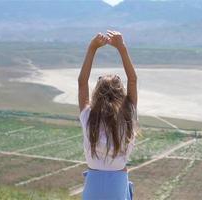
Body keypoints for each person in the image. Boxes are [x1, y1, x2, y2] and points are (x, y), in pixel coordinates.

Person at [78, 30, 138, 200]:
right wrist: (121, 48)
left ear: (96, 93)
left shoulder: (88, 117)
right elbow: (133, 79)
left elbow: (82, 82)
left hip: (93, 184)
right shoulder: (127, 115)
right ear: (122, 94)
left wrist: (92, 48)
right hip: (118, 185)